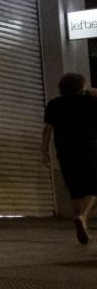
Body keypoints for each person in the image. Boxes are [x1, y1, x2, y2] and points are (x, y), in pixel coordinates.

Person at [41, 72, 97, 244]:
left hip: (65, 151)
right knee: (93, 188)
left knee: (75, 190)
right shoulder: (90, 102)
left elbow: (47, 130)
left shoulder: (54, 104)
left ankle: (81, 226)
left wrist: (44, 150)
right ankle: (83, 217)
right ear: (81, 85)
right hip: (89, 149)